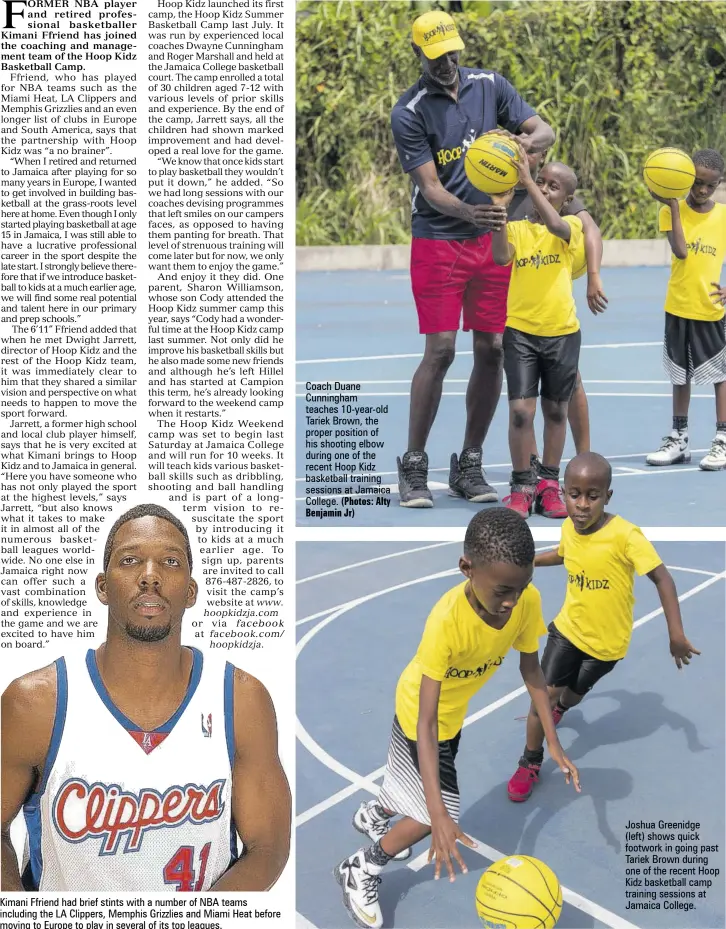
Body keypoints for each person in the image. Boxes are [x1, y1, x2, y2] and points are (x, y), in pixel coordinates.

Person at [1, 504, 291, 891]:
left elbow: (267, 847)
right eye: (131, 560)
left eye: (170, 562)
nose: (150, 576)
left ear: (191, 591)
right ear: (103, 586)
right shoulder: (35, 703)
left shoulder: (241, 699)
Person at [335, 508, 580, 929]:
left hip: (451, 716)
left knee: (422, 792)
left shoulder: (525, 602)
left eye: (522, 588)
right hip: (420, 715)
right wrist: (439, 816)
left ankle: (376, 813)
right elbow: (425, 724)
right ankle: (361, 867)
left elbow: (532, 670)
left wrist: (553, 741)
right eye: (503, 590)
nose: (512, 601)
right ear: (467, 568)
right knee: (435, 812)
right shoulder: (447, 621)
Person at [391, 10, 555, 508]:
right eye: (438, 55)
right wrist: (471, 212)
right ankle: (414, 464)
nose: (449, 62)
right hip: (440, 239)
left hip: (492, 242)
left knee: (492, 350)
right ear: (418, 53)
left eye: (454, 52)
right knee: (440, 351)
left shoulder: (490, 85)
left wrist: (524, 145)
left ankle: (469, 462)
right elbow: (431, 188)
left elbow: (543, 130)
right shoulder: (410, 111)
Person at [507, 452, 700, 802]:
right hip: (567, 631)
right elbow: (564, 555)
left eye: (592, 496)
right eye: (573, 494)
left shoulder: (626, 536)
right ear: (562, 492)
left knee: (573, 695)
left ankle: (562, 709)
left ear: (607, 496)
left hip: (608, 644)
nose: (581, 505)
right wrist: (530, 560)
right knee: (542, 697)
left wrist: (676, 634)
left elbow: (663, 578)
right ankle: (530, 761)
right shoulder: (568, 526)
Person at [491, 147, 590, 518]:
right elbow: (501, 257)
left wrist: (528, 181)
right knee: (520, 411)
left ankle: (549, 484)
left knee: (555, 411)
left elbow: (555, 225)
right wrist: (500, 211)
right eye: (542, 182)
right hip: (521, 333)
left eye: (554, 186)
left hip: (562, 333)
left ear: (567, 199)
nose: (546, 189)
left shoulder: (571, 228)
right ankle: (521, 485)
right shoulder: (518, 227)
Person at [508, 148, 609, 463]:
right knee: (521, 403)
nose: (530, 154)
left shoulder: (554, 194)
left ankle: (583, 457)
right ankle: (531, 463)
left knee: (566, 383)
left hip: (554, 309)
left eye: (536, 150)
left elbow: (589, 229)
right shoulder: (495, 182)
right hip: (514, 291)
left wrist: (593, 275)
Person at [646, 149, 726, 470]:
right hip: (678, 306)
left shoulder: (723, 215)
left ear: (719, 184)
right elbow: (680, 250)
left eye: (711, 185)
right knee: (679, 375)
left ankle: (722, 439)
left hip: (709, 309)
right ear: (685, 178)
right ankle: (679, 438)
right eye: (697, 183)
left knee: (720, 375)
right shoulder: (670, 212)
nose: (703, 190)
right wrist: (674, 204)